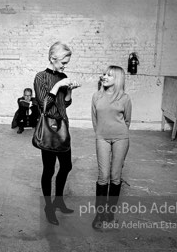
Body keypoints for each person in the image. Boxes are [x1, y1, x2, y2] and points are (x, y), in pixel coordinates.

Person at [33, 41, 81, 225]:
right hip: (49, 128)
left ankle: (59, 200)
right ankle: (48, 206)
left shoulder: (63, 76)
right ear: (53, 58)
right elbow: (45, 106)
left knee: (67, 166)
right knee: (49, 169)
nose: (65, 66)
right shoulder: (40, 77)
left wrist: (68, 91)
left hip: (63, 126)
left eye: (66, 63)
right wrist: (58, 84)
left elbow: (64, 104)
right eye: (63, 62)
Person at [91, 66, 132, 229]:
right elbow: (94, 119)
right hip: (102, 137)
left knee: (115, 176)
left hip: (121, 137)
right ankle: (99, 214)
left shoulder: (125, 98)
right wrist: (101, 134)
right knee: (103, 175)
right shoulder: (96, 96)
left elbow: (127, 120)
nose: (104, 77)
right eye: (104, 74)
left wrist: (118, 132)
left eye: (109, 75)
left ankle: (110, 213)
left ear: (118, 79)